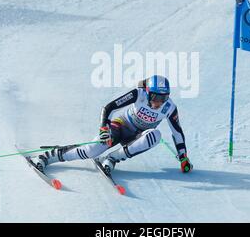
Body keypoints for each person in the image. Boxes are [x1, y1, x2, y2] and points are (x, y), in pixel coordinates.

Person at [31, 75, 193, 174]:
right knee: (92, 151)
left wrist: (183, 157)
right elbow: (109, 108)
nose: (159, 102)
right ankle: (48, 156)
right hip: (120, 126)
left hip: (136, 137)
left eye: (163, 98)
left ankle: (112, 159)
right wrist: (104, 128)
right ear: (149, 92)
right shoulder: (139, 94)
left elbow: (177, 133)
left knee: (155, 136)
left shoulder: (169, 108)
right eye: (156, 97)